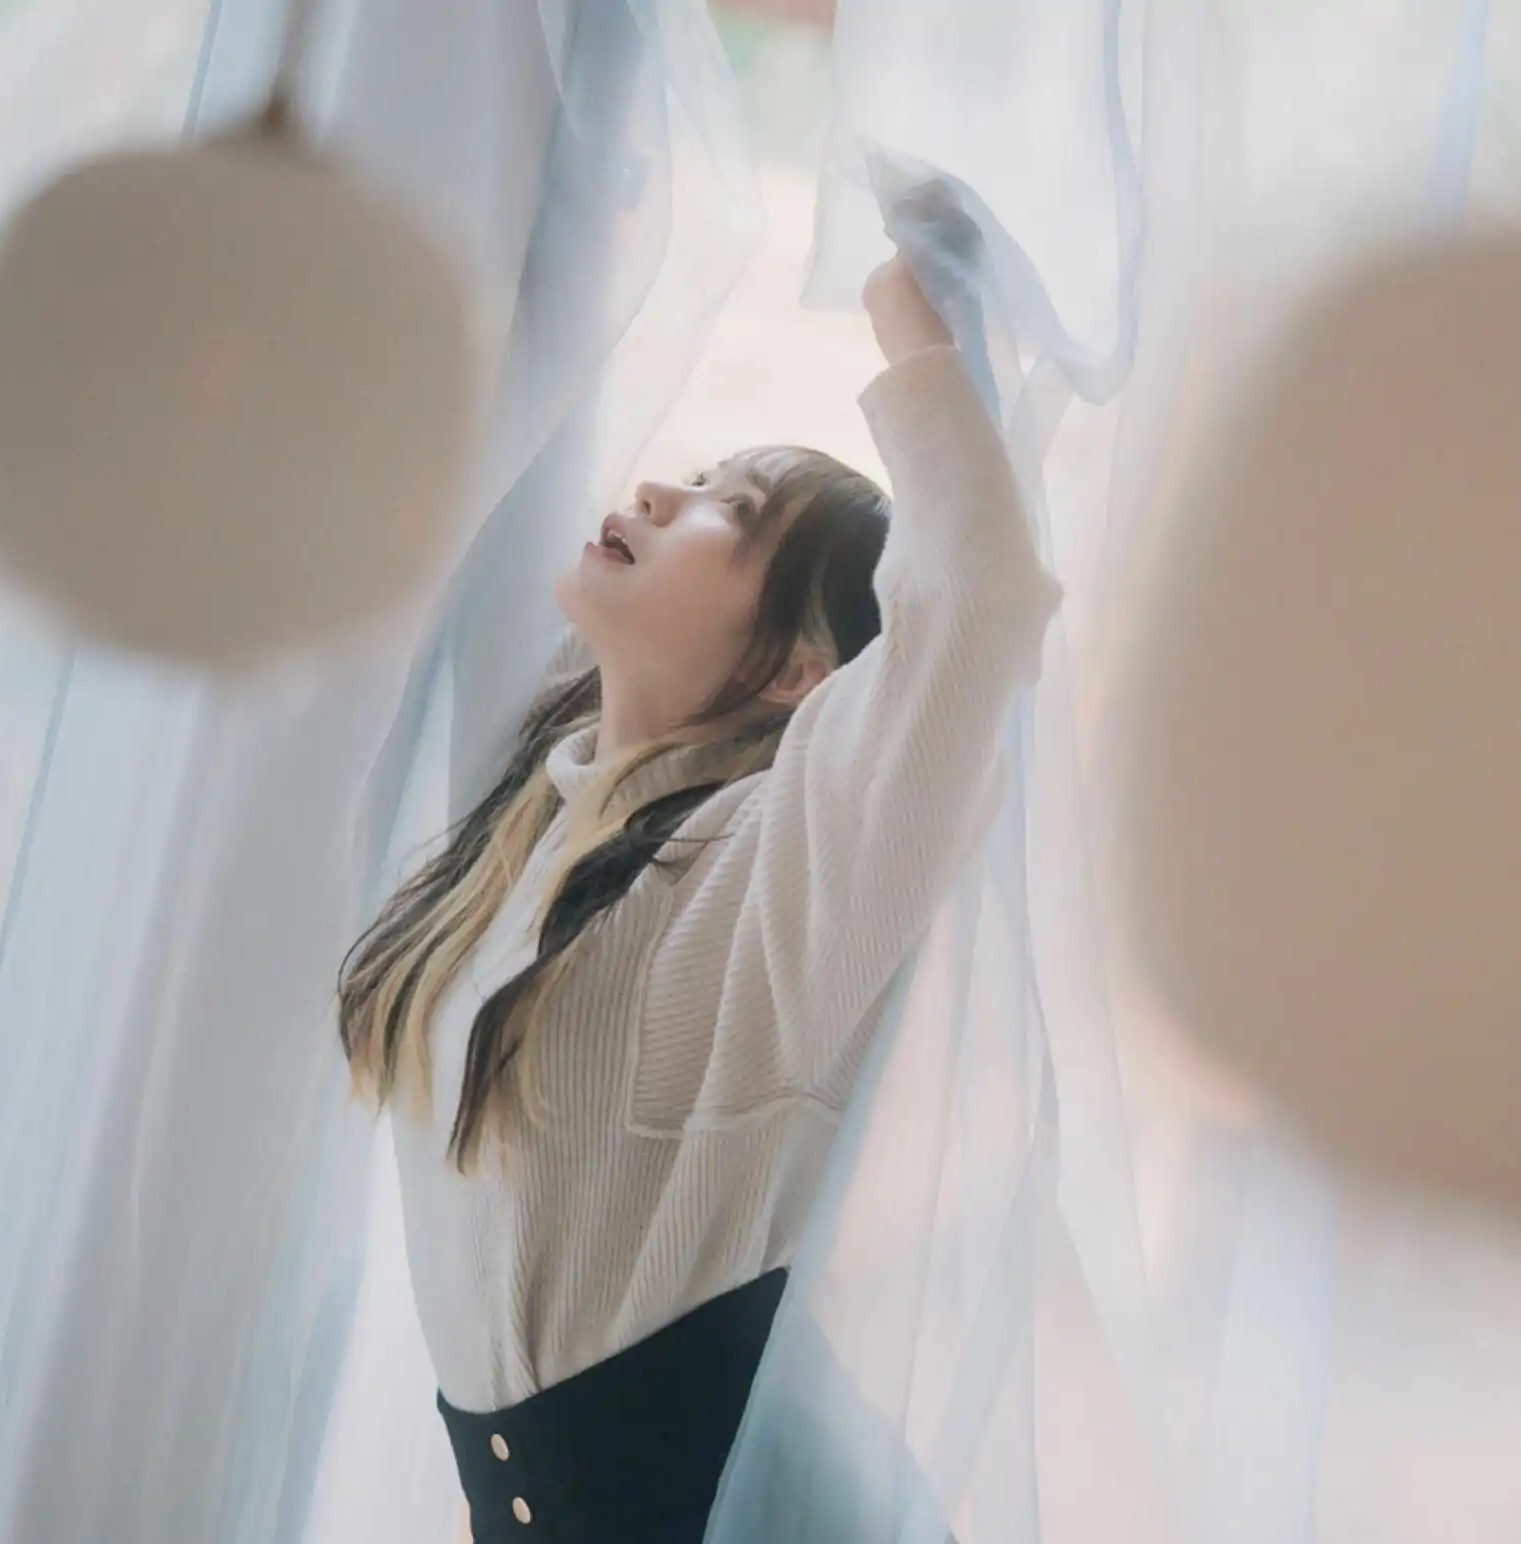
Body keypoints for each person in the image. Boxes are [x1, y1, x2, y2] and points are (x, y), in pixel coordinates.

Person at [336, 249, 1057, 1542]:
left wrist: (914, 321)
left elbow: (980, 608)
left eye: (736, 508)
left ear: (797, 671)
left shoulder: (772, 871)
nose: (662, 490)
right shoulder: (534, 827)